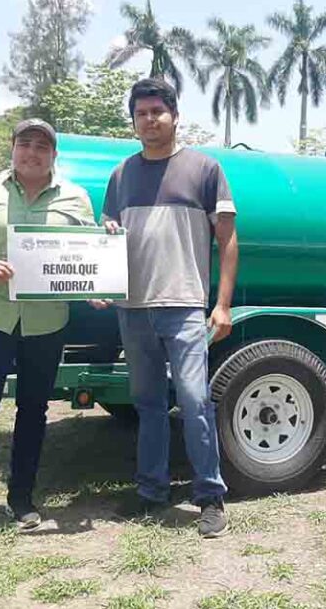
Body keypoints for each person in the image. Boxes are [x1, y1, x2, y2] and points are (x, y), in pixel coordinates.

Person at [98, 78, 238, 538]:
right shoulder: (121, 175)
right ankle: (151, 491)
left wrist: (222, 304)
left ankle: (210, 497)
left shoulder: (204, 169)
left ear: (175, 115)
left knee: (196, 400)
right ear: (134, 120)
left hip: (183, 306)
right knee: (148, 404)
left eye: (158, 111)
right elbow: (106, 241)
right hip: (133, 308)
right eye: (141, 113)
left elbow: (228, 239)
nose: (150, 119)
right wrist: (101, 283)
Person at [0, 119, 95, 542]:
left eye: (42, 146)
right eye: (25, 143)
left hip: (47, 323)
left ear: (53, 154)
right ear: (13, 148)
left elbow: (88, 253)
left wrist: (104, 268)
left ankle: (21, 497)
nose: (32, 152)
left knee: (34, 411)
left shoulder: (75, 198)